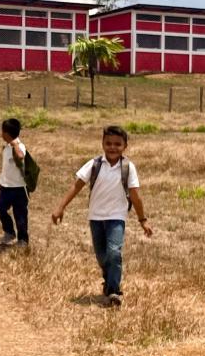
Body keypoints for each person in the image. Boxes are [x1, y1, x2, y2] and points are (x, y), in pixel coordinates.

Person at [51, 125, 154, 307]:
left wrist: (142, 220)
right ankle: (109, 279)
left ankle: (114, 290)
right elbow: (76, 186)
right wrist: (61, 207)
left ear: (125, 146)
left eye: (117, 144)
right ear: (102, 144)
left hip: (117, 217)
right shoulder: (94, 164)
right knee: (102, 256)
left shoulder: (128, 168)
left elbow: (136, 196)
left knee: (114, 252)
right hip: (96, 217)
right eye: (108, 143)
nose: (112, 147)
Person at [0, 118, 30, 247]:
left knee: (20, 214)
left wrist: (15, 144)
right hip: (6, 187)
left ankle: (23, 239)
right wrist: (0, 181)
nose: (1, 134)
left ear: (6, 133)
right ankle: (9, 232)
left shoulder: (20, 146)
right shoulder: (6, 148)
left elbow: (20, 157)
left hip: (19, 188)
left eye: (2, 131)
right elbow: (6, 167)